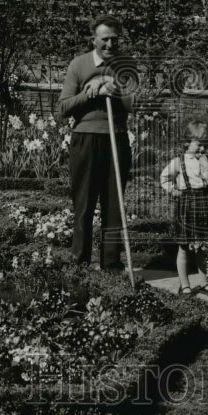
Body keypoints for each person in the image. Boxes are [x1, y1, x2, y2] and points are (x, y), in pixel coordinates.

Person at [58, 16, 135, 270]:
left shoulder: (126, 65)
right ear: (94, 39)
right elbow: (63, 108)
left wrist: (111, 85)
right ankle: (80, 264)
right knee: (84, 204)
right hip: (86, 140)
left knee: (114, 205)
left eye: (115, 39)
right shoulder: (78, 65)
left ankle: (111, 265)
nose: (110, 44)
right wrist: (90, 93)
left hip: (117, 139)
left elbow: (132, 105)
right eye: (105, 39)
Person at [160, 120, 208, 295]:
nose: (202, 149)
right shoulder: (179, 162)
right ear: (187, 143)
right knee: (184, 246)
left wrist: (206, 163)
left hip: (206, 203)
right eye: (199, 145)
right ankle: (184, 284)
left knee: (204, 246)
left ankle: (204, 282)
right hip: (187, 204)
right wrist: (174, 191)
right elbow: (164, 178)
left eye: (205, 145)